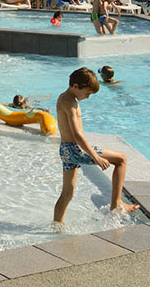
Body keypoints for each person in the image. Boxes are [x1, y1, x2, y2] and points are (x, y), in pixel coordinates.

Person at [52, 67, 138, 226]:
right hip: (74, 149)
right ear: (76, 86)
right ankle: (117, 204)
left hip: (65, 150)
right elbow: (77, 135)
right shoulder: (70, 103)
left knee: (67, 194)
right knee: (121, 160)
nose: (87, 97)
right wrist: (96, 157)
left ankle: (57, 226)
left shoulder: (64, 98)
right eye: (87, 93)